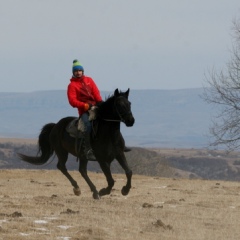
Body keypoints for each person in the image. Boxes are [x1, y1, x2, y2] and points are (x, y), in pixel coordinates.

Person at [67, 60, 102, 161]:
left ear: (82, 71)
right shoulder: (72, 86)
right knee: (87, 125)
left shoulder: (89, 80)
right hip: (84, 111)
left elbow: (96, 92)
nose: (78, 72)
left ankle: (117, 144)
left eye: (79, 70)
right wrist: (85, 106)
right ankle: (88, 150)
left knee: (108, 119)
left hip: (96, 107)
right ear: (73, 72)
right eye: (76, 71)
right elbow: (72, 101)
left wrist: (99, 102)